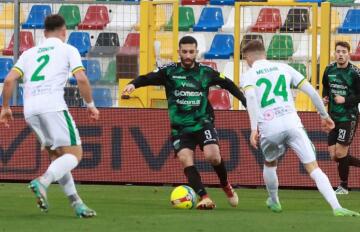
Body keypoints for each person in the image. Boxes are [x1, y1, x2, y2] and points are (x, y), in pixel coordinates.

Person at [122, 35, 246, 209]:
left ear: (196, 52)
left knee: (213, 157)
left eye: (191, 52)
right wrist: (133, 84)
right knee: (185, 159)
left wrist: (246, 102)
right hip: (180, 127)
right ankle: (204, 197)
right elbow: (147, 77)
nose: (188, 55)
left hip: (202, 122)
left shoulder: (205, 71)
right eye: (184, 52)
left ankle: (225, 185)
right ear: (179, 52)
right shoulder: (170, 71)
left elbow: (228, 85)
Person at [240, 40, 359, 216]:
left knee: (270, 163)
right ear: (264, 53)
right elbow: (311, 91)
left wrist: (253, 129)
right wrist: (325, 116)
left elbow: (250, 98)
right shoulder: (283, 68)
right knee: (314, 167)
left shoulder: (249, 74)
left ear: (247, 57)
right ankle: (337, 207)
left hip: (269, 126)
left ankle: (274, 201)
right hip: (292, 123)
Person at [0, 14, 99, 218]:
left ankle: (77, 204)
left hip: (30, 110)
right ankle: (43, 181)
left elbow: (9, 80)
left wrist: (6, 107)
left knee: (57, 157)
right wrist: (90, 105)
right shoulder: (68, 49)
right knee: (75, 154)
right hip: (53, 106)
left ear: (44, 34)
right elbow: (81, 78)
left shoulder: (29, 53)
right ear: (64, 32)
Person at [322, 41, 360, 195]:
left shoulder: (355, 73)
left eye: (344, 52)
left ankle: (343, 186)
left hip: (348, 117)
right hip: (333, 117)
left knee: (340, 153)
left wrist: (345, 100)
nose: (341, 54)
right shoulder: (329, 69)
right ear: (334, 53)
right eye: (338, 51)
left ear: (349, 54)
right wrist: (325, 97)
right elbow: (326, 86)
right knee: (334, 155)